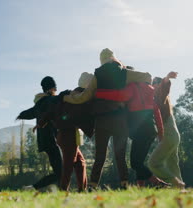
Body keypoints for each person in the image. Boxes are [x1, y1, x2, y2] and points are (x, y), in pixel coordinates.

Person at [64, 48, 152, 189]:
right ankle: (124, 184)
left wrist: (67, 97)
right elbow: (148, 76)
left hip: (101, 120)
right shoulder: (123, 72)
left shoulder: (97, 75)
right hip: (119, 119)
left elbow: (84, 97)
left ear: (101, 61)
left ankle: (93, 185)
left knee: (100, 156)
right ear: (113, 58)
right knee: (120, 156)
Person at [95, 66, 168, 187]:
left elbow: (120, 96)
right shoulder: (149, 88)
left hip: (141, 131)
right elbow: (157, 112)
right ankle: (141, 188)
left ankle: (158, 182)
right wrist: (160, 133)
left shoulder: (132, 87)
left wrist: (99, 93)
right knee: (139, 161)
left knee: (135, 163)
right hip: (151, 130)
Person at [37, 72, 95, 192]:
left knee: (80, 162)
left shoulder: (66, 96)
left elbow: (51, 111)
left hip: (65, 135)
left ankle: (82, 190)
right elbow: (80, 116)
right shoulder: (78, 97)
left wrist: (41, 123)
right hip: (68, 135)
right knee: (68, 165)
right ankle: (63, 190)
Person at [16, 76, 62, 191]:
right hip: (52, 140)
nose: (55, 91)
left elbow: (30, 113)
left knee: (60, 171)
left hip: (44, 142)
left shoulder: (39, 103)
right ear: (51, 88)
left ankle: (62, 190)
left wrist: (20, 115)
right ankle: (33, 187)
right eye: (55, 89)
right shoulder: (50, 100)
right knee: (60, 172)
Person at [148, 72, 185, 188]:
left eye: (154, 83)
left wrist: (167, 78)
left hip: (169, 136)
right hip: (174, 137)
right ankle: (180, 189)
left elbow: (164, 87)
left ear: (158, 84)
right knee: (173, 165)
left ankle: (175, 183)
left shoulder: (160, 94)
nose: (152, 85)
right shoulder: (160, 100)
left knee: (153, 163)